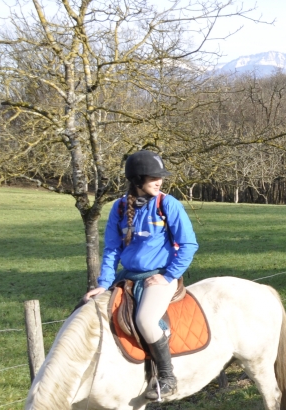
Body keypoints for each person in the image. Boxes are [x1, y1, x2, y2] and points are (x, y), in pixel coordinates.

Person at [82, 150, 199, 400]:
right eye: (153, 177)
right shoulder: (120, 207)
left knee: (146, 319)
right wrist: (104, 283)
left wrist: (168, 276)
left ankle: (168, 377)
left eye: (161, 177)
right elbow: (112, 248)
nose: (159, 181)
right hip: (128, 275)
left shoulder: (168, 204)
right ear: (137, 180)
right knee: (89, 311)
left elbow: (189, 245)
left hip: (158, 275)